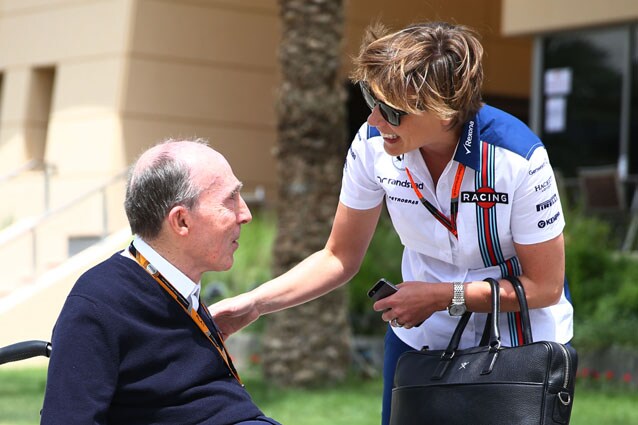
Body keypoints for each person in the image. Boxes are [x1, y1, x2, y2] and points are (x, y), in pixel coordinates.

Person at [209, 21, 573, 425]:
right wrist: (253, 305)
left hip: (519, 350)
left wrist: (441, 297)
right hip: (418, 343)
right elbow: (338, 257)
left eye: (392, 112)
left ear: (445, 108)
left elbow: (544, 287)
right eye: (370, 98)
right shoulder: (372, 147)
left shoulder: (518, 158)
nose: (374, 121)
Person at [41, 139, 281, 425]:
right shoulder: (98, 305)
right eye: (230, 199)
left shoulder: (177, 285)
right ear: (181, 221)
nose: (246, 214)